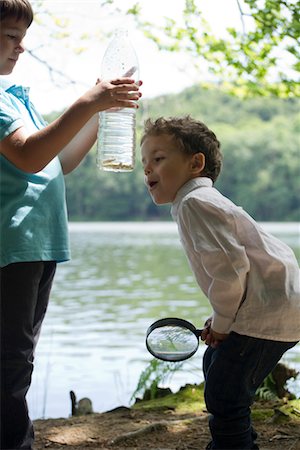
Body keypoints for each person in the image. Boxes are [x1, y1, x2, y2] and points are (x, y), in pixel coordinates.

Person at [0, 0, 142, 448]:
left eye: (23, 39)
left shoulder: (15, 98)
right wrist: (85, 102)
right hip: (12, 247)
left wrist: (100, 117)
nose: (20, 48)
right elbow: (28, 154)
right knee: (9, 363)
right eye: (9, 37)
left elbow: (57, 160)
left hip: (38, 248)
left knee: (17, 359)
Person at [140, 115, 300, 450]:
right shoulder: (198, 202)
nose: (147, 170)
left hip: (268, 312)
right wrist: (223, 320)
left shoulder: (195, 203)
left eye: (158, 159)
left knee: (226, 396)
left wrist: (225, 324)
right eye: (145, 162)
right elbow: (232, 272)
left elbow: (229, 272)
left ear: (196, 163)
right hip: (273, 305)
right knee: (216, 365)